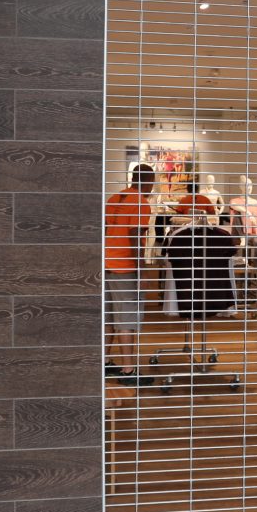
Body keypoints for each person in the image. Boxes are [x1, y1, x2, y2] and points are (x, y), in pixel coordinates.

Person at [104, 164, 156, 386]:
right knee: (127, 319)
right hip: (125, 267)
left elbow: (106, 230)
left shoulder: (114, 199)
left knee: (108, 317)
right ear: (149, 181)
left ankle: (105, 362)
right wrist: (142, 270)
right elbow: (135, 236)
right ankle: (128, 370)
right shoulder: (140, 202)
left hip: (106, 263)